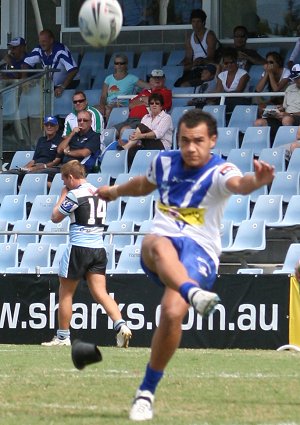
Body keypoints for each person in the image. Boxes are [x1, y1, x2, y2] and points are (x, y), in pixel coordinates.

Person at [94, 109, 274, 421]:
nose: (191, 148)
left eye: (199, 141)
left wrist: (256, 181)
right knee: (155, 242)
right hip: (162, 246)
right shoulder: (163, 162)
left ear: (213, 141)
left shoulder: (220, 170)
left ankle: (146, 392)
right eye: (185, 141)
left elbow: (239, 183)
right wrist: (114, 191)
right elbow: (142, 184)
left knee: (172, 312)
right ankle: (193, 293)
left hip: (199, 254)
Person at [42, 160, 132, 347]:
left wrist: (62, 195)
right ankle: (121, 325)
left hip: (78, 248)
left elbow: (55, 217)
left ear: (72, 177)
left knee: (66, 293)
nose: (64, 184)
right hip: (98, 249)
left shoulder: (74, 194)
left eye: (64, 180)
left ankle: (63, 337)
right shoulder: (99, 193)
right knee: (101, 293)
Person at [118, 93, 173, 169]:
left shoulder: (166, 117)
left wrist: (140, 136)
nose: (154, 105)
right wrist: (134, 137)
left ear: (161, 106)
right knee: (131, 151)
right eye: (151, 103)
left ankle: (127, 146)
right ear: (149, 105)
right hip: (146, 144)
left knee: (142, 127)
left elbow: (158, 134)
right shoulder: (146, 117)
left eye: (157, 103)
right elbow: (139, 133)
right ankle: (129, 173)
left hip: (161, 146)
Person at [2, 116, 63, 184]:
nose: (49, 127)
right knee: (9, 174)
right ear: (44, 127)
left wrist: (42, 166)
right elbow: (34, 160)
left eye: (52, 125)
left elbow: (57, 161)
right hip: (35, 166)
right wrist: (24, 168)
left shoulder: (60, 141)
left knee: (31, 175)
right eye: (47, 125)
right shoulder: (41, 140)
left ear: (56, 127)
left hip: (47, 168)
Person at [114, 69, 172, 138]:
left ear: (164, 80)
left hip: (143, 120)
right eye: (154, 78)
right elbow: (130, 105)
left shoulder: (166, 92)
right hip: (129, 119)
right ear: (150, 80)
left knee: (125, 130)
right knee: (111, 131)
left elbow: (151, 102)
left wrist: (142, 100)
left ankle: (123, 148)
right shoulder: (145, 92)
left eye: (159, 78)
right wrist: (143, 99)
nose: (157, 80)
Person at [23, 29, 78, 97]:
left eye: (44, 41)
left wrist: (62, 87)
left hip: (70, 84)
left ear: (51, 40)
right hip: (52, 85)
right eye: (40, 41)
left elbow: (74, 70)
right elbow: (25, 63)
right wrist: (24, 79)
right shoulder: (39, 49)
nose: (41, 44)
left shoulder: (61, 50)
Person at [97, 53, 150, 123]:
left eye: (121, 63)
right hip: (108, 104)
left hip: (122, 104)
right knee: (94, 109)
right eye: (116, 63)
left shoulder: (132, 78)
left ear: (126, 64)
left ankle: (107, 131)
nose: (119, 65)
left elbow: (148, 86)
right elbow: (103, 96)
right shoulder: (108, 78)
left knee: (108, 109)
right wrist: (102, 106)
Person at [254, 64, 300, 143]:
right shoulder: (290, 88)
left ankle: (288, 146)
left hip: (296, 117)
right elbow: (285, 106)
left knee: (286, 119)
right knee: (259, 122)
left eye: (297, 78)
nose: (295, 80)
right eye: (294, 78)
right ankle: (260, 150)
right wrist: (278, 109)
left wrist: (289, 115)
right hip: (285, 116)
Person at [174, 9, 218, 87]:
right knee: (177, 84)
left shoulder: (209, 35)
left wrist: (201, 60)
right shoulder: (189, 38)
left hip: (206, 68)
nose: (195, 24)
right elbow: (188, 57)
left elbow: (211, 57)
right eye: (193, 21)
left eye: (198, 21)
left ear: (203, 22)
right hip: (194, 68)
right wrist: (181, 64)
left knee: (184, 85)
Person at [214, 47, 250, 113]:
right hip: (226, 100)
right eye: (226, 63)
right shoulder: (221, 75)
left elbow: (238, 92)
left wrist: (223, 95)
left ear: (236, 61)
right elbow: (217, 93)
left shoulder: (244, 74)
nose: (229, 65)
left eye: (232, 62)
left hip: (241, 100)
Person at [255, 51, 290, 117]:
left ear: (278, 63)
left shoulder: (286, 72)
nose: (268, 65)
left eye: (271, 62)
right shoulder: (267, 72)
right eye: (267, 62)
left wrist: (270, 73)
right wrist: (266, 73)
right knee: (260, 107)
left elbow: (276, 90)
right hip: (274, 99)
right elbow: (258, 89)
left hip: (286, 100)